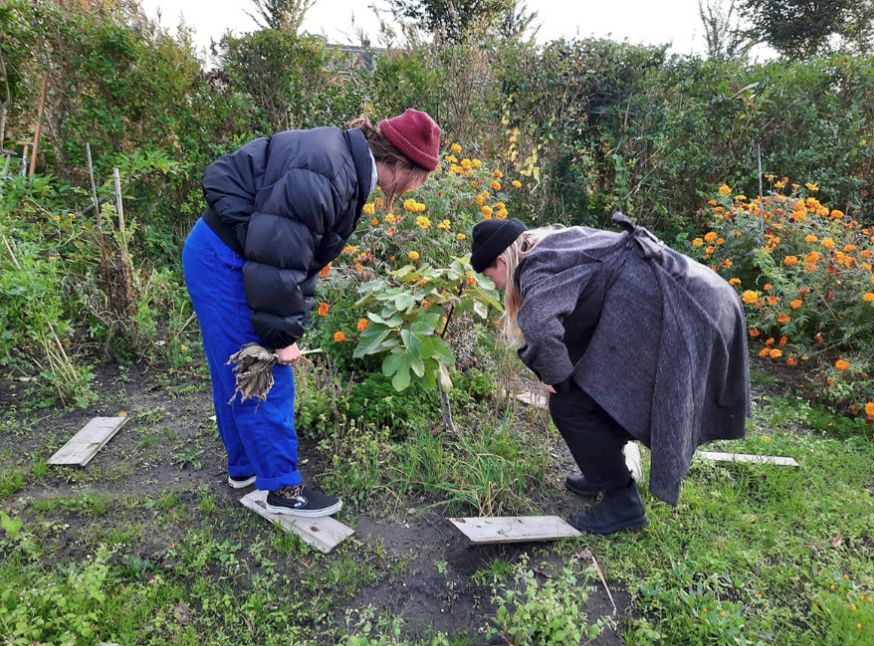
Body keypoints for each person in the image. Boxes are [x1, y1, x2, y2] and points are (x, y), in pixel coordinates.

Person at [182, 109, 442, 517]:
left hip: (220, 250)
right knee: (262, 367)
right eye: (420, 177)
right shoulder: (331, 171)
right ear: (401, 166)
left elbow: (299, 258)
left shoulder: (343, 163)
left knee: (234, 365)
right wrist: (283, 338)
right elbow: (278, 259)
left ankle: (245, 467)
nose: (417, 188)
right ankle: (282, 489)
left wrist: (291, 323)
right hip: (228, 258)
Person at [470, 213, 750, 534]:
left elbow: (539, 326)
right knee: (589, 387)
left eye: (488, 273)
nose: (492, 283)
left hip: (688, 307)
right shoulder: (560, 242)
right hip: (706, 294)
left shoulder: (536, 265)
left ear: (502, 260)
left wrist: (556, 378)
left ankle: (622, 504)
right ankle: (604, 468)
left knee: (569, 404)